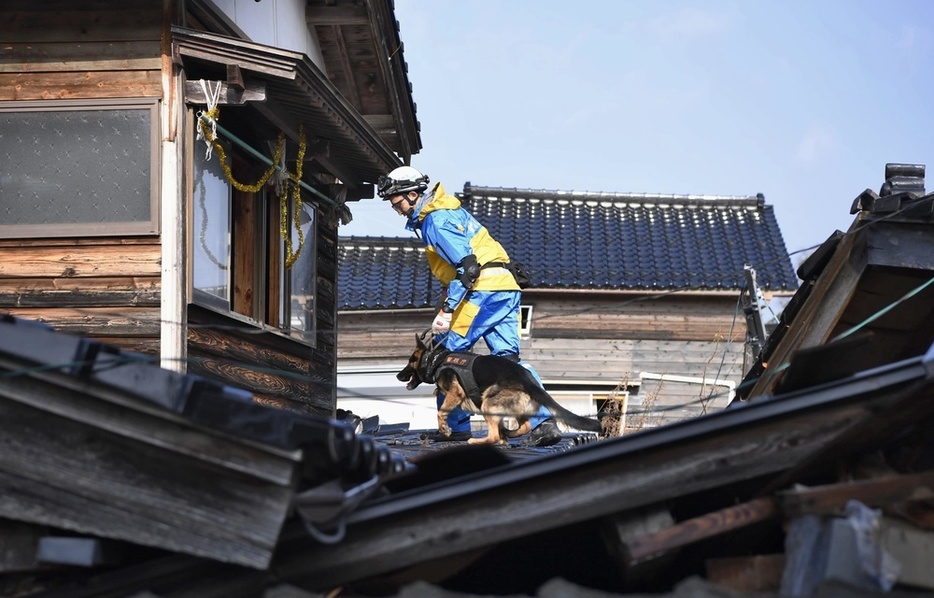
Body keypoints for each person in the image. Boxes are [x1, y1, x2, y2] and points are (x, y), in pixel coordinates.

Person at [377, 166, 561, 446]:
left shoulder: (434, 221)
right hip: (506, 286)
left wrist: (448, 310)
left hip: (482, 290)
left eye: (398, 203)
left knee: (449, 356)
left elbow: (468, 267)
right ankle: (543, 423)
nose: (397, 210)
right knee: (508, 360)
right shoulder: (450, 210)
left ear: (412, 195)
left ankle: (454, 427)